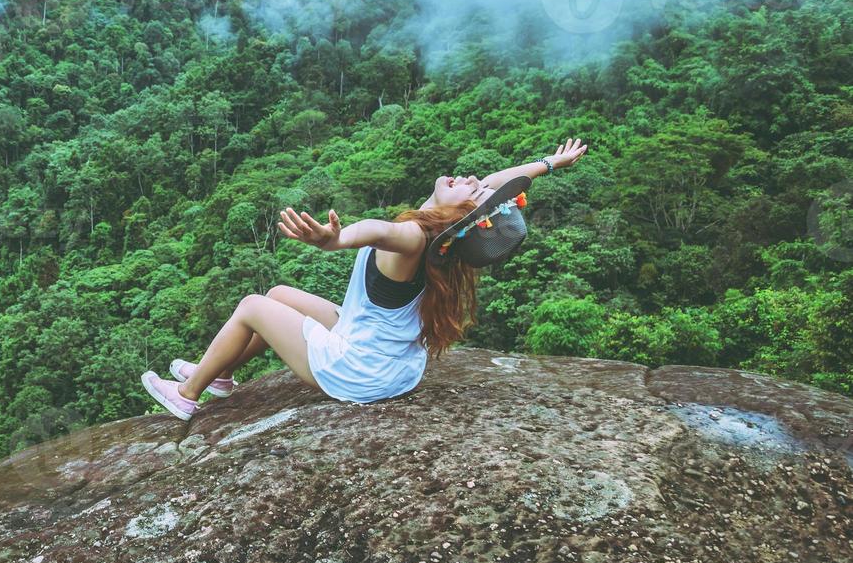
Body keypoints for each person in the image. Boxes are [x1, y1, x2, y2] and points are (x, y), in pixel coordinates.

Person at [141, 137, 588, 420]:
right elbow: (496, 180)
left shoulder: (415, 235)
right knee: (278, 293)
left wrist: (333, 241)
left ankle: (187, 393)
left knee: (253, 306)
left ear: (459, 214)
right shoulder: (445, 240)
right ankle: (217, 374)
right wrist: (550, 163)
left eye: (471, 189)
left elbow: (377, 229)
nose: (471, 178)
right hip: (391, 363)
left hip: (360, 371)